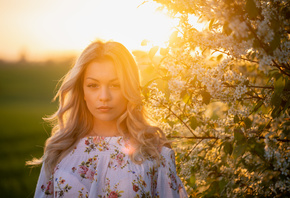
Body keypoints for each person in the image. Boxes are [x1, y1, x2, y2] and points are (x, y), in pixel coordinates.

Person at [28, 40, 188, 197]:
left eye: (115, 85)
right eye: (93, 85)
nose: (104, 97)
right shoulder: (60, 150)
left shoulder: (155, 154)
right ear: (81, 90)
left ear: (130, 88)